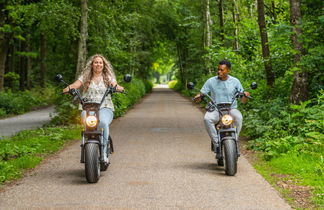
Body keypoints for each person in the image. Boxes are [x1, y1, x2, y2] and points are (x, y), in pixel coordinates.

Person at [63, 54, 124, 163]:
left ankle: (104, 153)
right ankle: (87, 143)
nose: (98, 64)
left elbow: (115, 85)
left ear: (104, 65)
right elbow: (75, 85)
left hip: (105, 107)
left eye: (100, 62)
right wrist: (68, 89)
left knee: (103, 123)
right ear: (92, 64)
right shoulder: (85, 77)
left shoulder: (108, 77)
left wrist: (118, 88)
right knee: (86, 124)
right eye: (96, 62)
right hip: (88, 108)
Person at [193, 60, 250, 153]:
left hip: (231, 108)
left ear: (228, 70)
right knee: (207, 119)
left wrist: (245, 95)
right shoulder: (211, 81)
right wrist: (198, 97)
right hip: (215, 109)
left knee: (239, 117)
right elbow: (201, 94)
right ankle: (217, 143)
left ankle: (235, 140)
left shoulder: (235, 81)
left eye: (222, 70)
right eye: (218, 69)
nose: (219, 71)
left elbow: (243, 101)